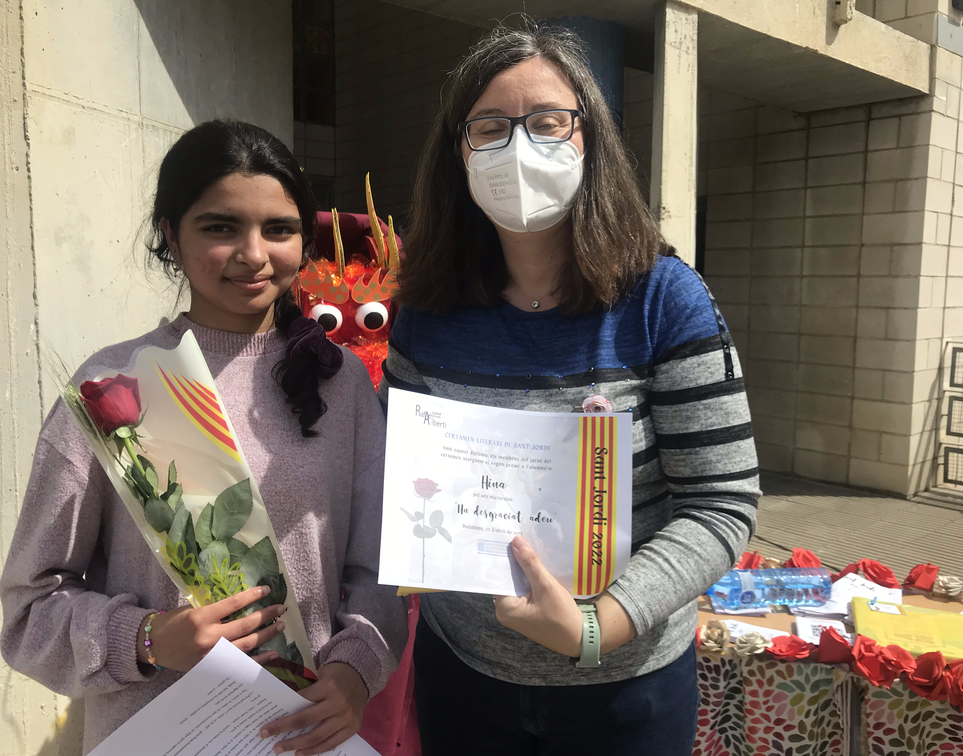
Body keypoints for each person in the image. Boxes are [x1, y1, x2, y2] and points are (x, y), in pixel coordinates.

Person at [381, 25, 760, 755]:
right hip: (462, 677)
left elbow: (723, 502)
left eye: (548, 122)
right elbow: (396, 473)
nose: (519, 147)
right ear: (459, 153)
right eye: (489, 127)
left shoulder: (664, 300)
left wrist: (599, 626)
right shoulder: (426, 313)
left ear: (589, 138)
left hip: (627, 692)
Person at [1, 120, 407, 756]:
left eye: (279, 229)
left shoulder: (343, 382)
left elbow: (379, 569)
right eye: (221, 227)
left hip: (304, 735)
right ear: (171, 234)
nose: (254, 253)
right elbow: (28, 610)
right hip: (156, 735)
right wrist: (146, 637)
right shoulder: (113, 389)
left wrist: (355, 669)